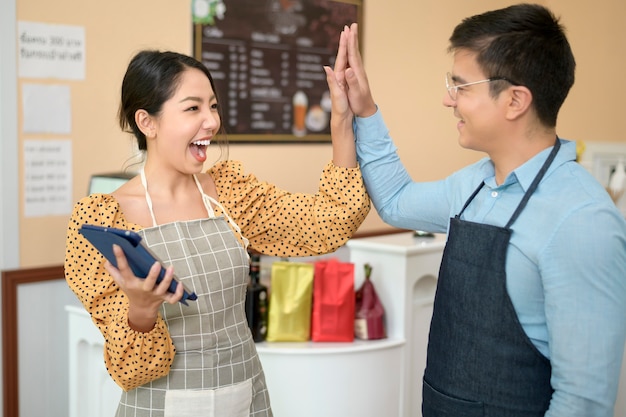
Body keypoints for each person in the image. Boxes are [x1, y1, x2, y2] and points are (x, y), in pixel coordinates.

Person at [325, 4, 626, 417]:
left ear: (515, 100)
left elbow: (583, 401)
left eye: (461, 86)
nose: (449, 100)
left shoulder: (583, 220)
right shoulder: (472, 184)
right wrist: (364, 111)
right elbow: (396, 202)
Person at [64, 48, 370, 417]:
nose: (211, 122)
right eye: (193, 108)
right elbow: (133, 371)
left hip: (245, 400)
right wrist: (142, 311)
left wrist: (341, 119)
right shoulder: (103, 219)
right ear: (148, 122)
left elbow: (333, 219)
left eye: (213, 106)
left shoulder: (231, 194)